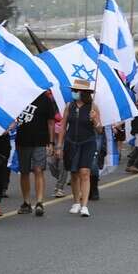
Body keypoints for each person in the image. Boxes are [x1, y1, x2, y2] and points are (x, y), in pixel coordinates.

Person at [56, 79, 102, 217]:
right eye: (73, 90)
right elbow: (63, 126)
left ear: (84, 92)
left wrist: (95, 120)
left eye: (76, 91)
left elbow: (99, 130)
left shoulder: (93, 107)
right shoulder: (69, 106)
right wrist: (59, 145)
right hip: (71, 142)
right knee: (74, 173)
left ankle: (84, 205)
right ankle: (76, 202)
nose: (74, 93)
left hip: (88, 142)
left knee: (85, 172)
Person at [16, 92, 55, 217]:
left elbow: (51, 122)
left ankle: (39, 202)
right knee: (24, 171)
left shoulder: (45, 99)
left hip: (40, 140)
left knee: (38, 170)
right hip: (22, 140)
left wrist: (51, 142)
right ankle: (26, 202)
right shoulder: (20, 97)